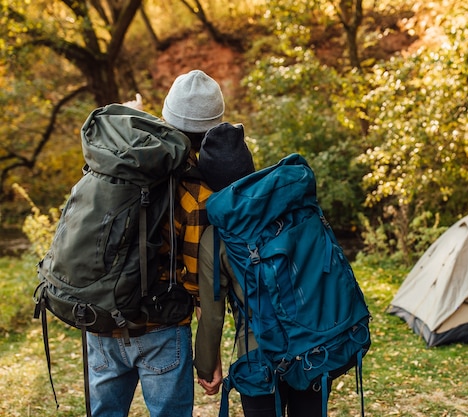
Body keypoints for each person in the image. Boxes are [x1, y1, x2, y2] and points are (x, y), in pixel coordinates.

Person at [85, 69, 224, 417]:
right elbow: (198, 282)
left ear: (165, 117)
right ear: (211, 131)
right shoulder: (197, 195)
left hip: (100, 319)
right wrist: (210, 359)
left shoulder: (113, 166)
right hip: (161, 331)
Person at [194, 126, 332, 417]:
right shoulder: (294, 208)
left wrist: (206, 367)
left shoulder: (215, 237)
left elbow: (213, 314)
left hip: (257, 356)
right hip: (314, 343)